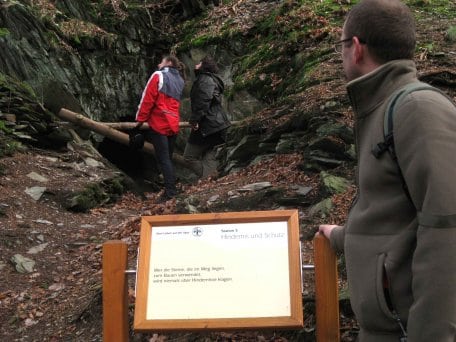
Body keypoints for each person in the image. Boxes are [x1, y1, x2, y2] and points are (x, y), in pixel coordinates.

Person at [318, 0, 456, 341]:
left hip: (410, 330)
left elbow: (447, 229)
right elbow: (395, 213)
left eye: (341, 45)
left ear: (356, 48)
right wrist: (340, 236)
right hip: (389, 328)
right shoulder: (382, 107)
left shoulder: (417, 109)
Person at [135, 55, 185, 201]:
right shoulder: (180, 80)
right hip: (173, 123)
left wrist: (140, 119)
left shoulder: (159, 75)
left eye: (161, 61)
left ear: (168, 63)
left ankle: (170, 192)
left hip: (160, 122)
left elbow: (148, 98)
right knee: (167, 159)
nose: (158, 64)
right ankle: (171, 188)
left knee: (163, 160)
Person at [183, 56, 231, 179]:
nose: (196, 65)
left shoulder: (204, 79)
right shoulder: (212, 79)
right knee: (210, 155)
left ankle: (208, 180)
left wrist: (195, 120)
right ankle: (210, 180)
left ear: (203, 66)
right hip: (218, 125)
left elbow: (203, 100)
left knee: (189, 157)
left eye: (199, 63)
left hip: (208, 126)